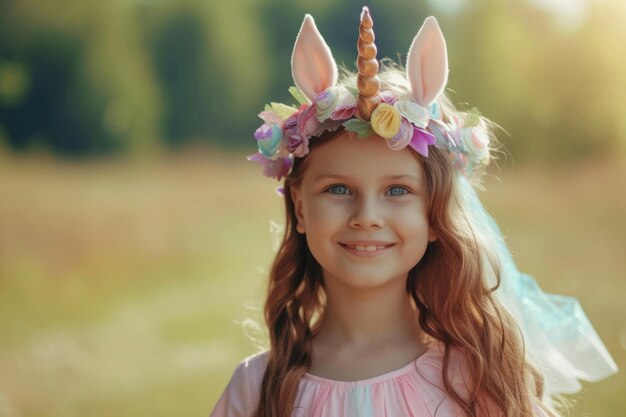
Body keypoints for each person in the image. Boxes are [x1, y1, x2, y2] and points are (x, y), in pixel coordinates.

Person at [210, 7, 618, 417]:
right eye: (338, 188)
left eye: (398, 190)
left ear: (434, 212)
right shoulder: (258, 387)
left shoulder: (477, 380)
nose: (366, 216)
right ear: (300, 207)